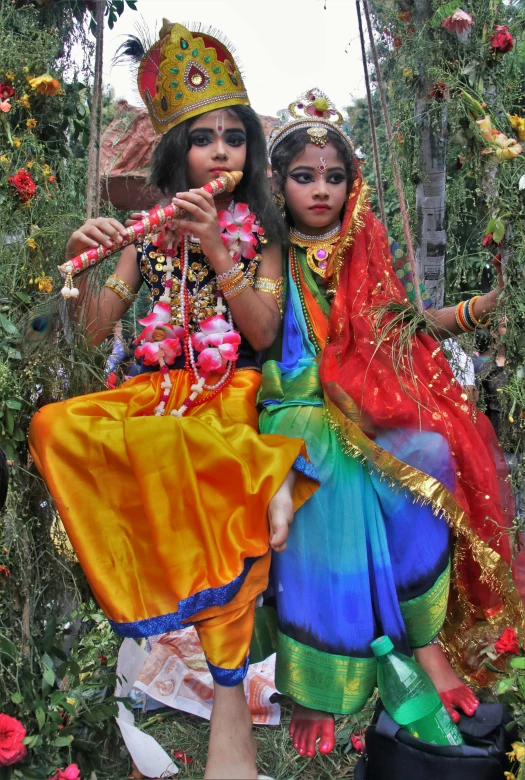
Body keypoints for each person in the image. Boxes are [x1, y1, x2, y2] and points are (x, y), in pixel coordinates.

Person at [28, 24, 317, 780]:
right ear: (176, 153)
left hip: (229, 392)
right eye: (202, 138)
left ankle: (228, 701)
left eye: (233, 137)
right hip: (153, 391)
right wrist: (85, 260)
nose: (220, 151)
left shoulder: (265, 235)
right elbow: (94, 334)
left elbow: (260, 328)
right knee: (52, 426)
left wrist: (219, 250)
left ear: (250, 150)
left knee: (200, 465)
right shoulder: (149, 233)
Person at [257, 88, 525, 759]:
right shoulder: (262, 251)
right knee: (335, 469)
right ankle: (322, 684)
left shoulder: (359, 250)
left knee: (430, 453)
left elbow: (399, 327)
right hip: (290, 407)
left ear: (352, 184)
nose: (320, 190)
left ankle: (418, 638)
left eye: (333, 176)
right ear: (277, 184)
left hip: (358, 404)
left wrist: (478, 308)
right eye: (303, 176)